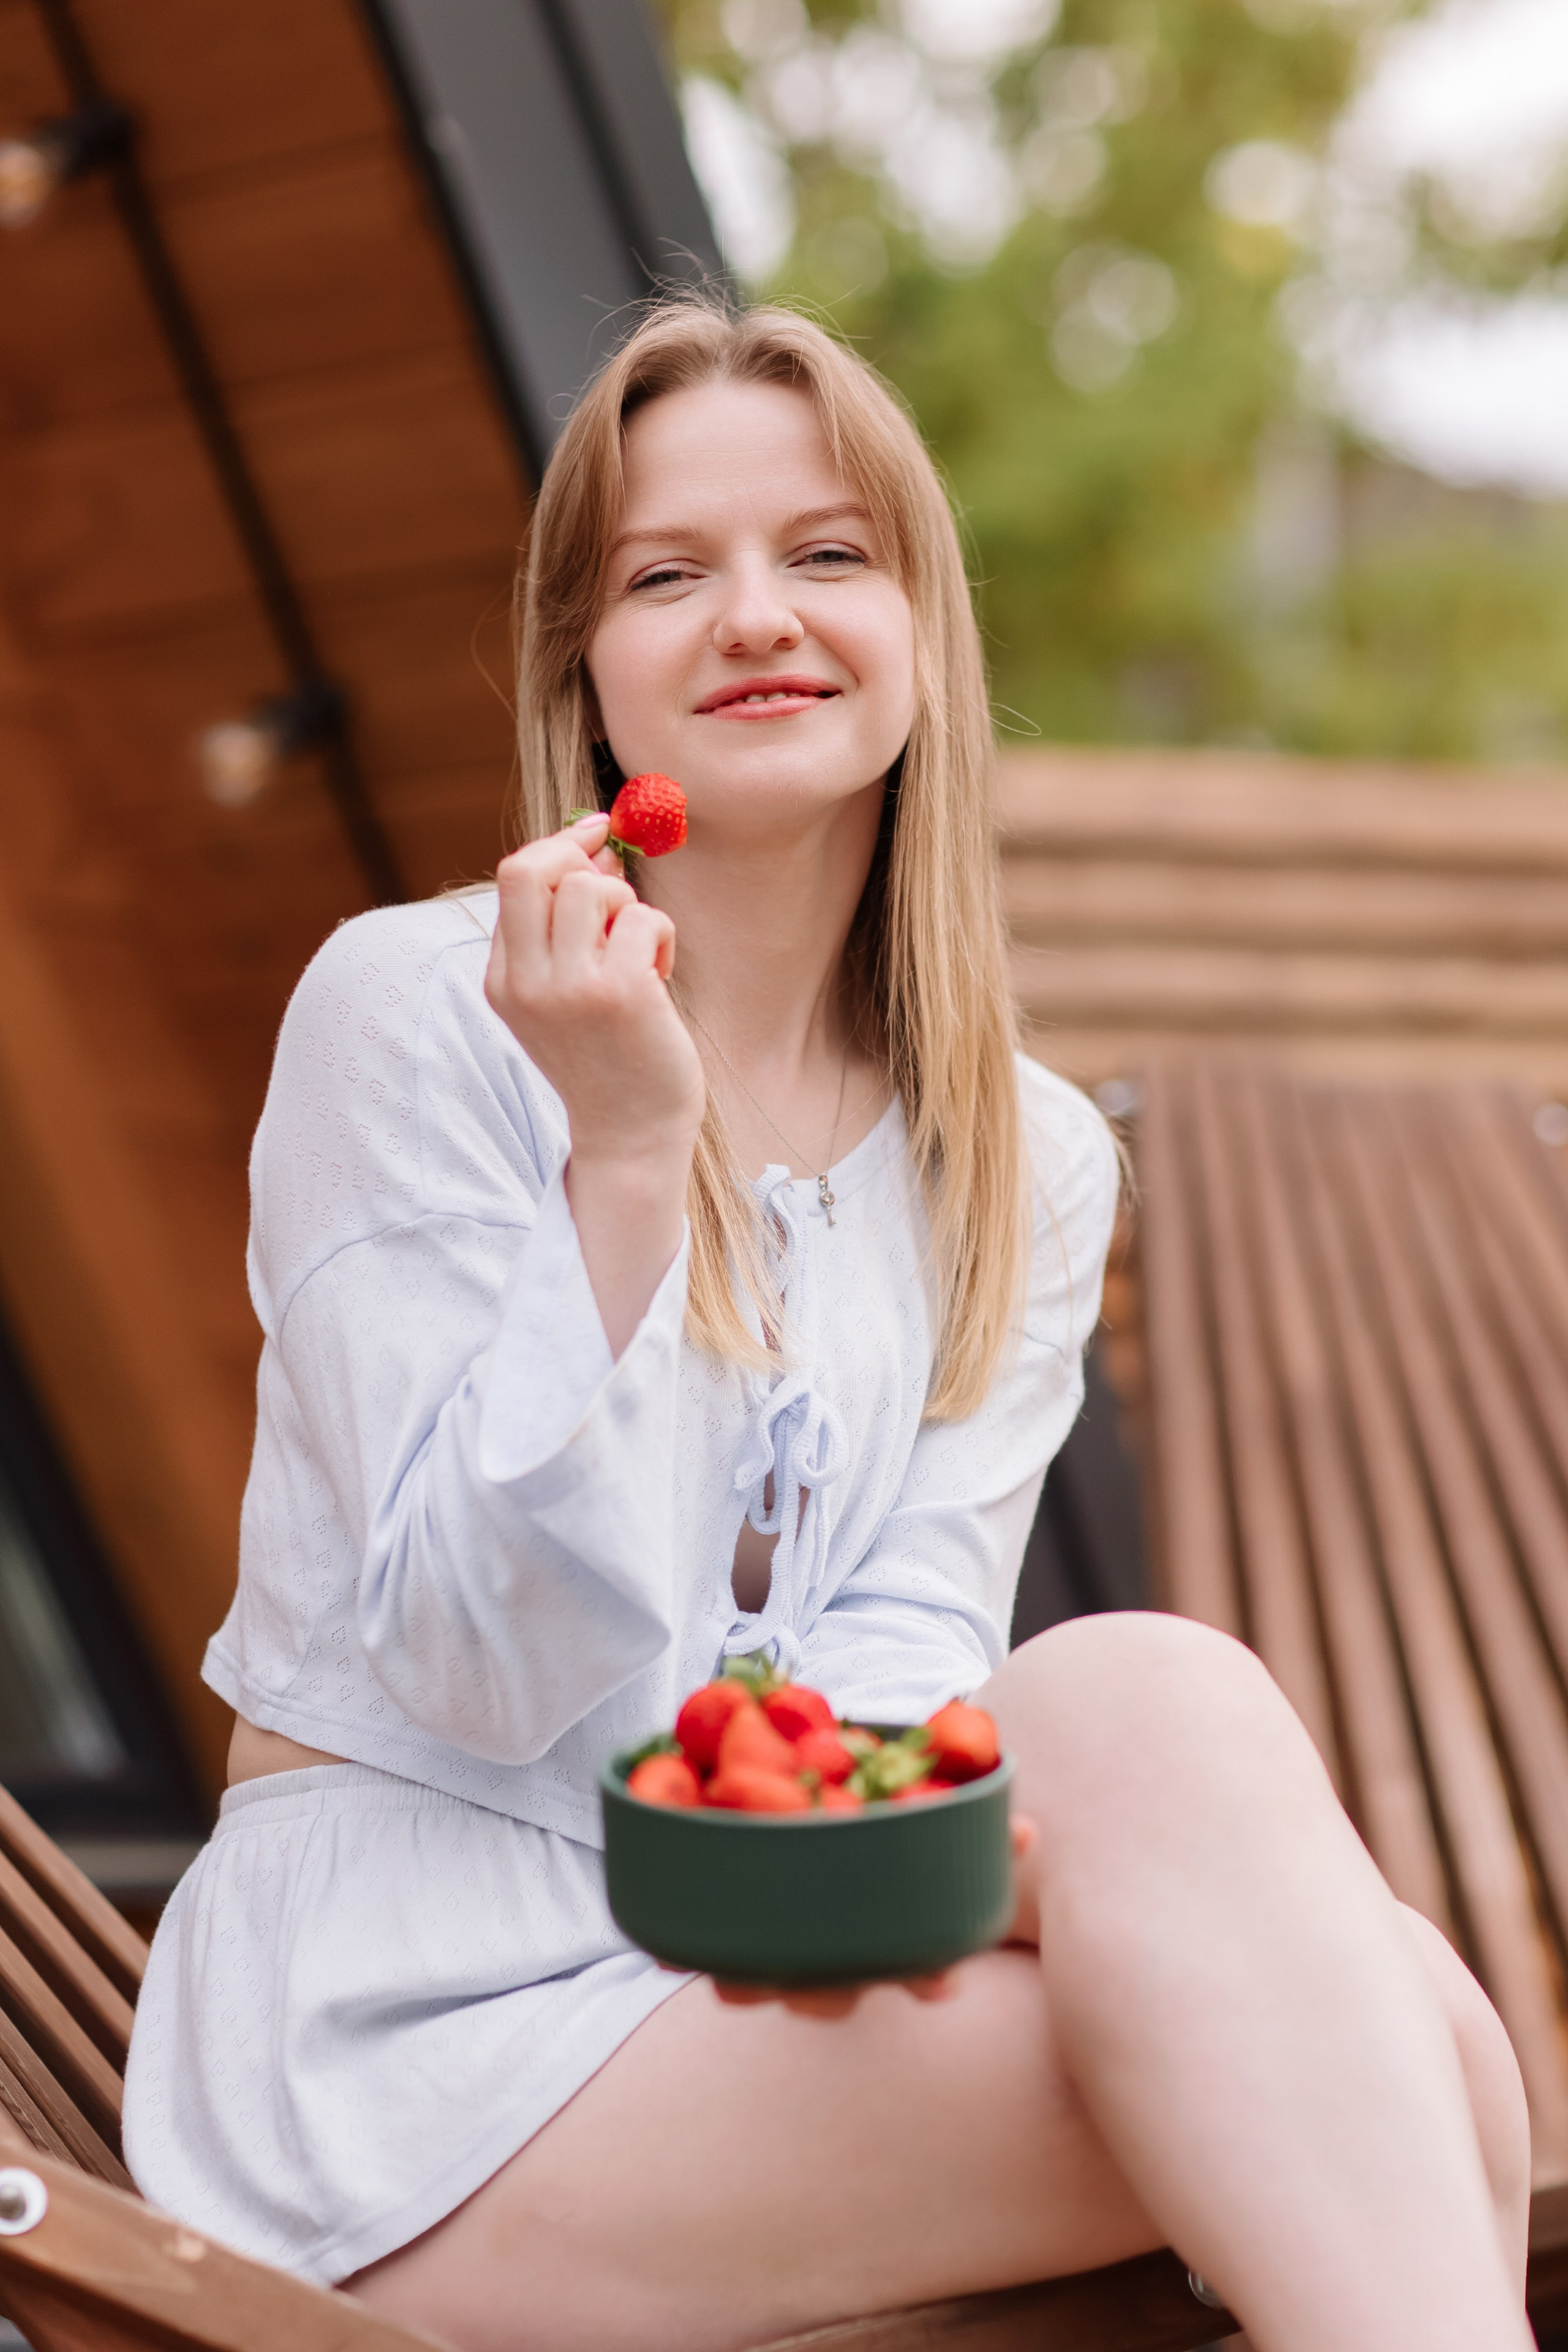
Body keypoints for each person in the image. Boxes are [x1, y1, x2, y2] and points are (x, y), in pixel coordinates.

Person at [123, 297, 1532, 2352]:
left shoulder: (1022, 1157)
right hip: (412, 2061)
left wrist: (1064, 1872)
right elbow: (479, 1661)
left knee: (1177, 1731)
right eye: (667, 574)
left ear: (925, 634)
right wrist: (624, 1148)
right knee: (1415, 2064)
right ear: (588, 680)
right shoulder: (418, 1018)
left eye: (829, 554)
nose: (755, 616)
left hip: (745, 1971)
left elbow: (893, 1675)